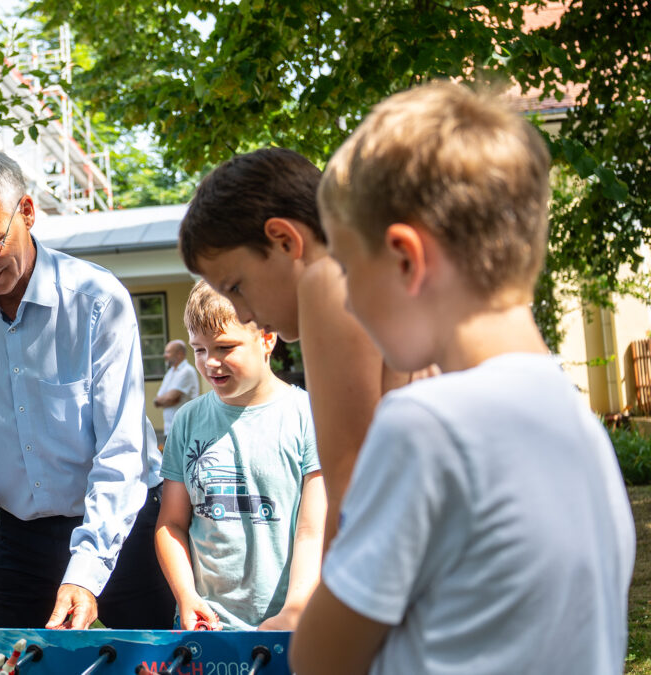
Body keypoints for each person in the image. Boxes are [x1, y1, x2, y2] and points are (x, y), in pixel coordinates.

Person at [289, 82, 635, 673]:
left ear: (405, 259)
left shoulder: (426, 426)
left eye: (347, 268)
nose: (347, 305)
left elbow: (319, 657)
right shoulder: (574, 418)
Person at [0, 147, 174, 629]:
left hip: (125, 524)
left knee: (155, 659)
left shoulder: (99, 302)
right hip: (23, 534)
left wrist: (86, 569)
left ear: (28, 212)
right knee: (16, 662)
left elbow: (121, 450)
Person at [178, 147, 421, 547]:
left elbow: (353, 501)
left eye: (237, 286)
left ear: (285, 240)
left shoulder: (329, 286)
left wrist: (306, 612)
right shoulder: (382, 279)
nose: (243, 311)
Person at [156, 281, 324, 631]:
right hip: (206, 625)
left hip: (289, 623)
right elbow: (171, 524)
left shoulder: (308, 415)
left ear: (266, 338)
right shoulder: (188, 420)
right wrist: (187, 596)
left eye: (225, 347)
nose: (210, 362)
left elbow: (313, 532)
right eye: (199, 350)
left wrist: (294, 611)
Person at [152, 339, 200, 438]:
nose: (164, 355)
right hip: (169, 429)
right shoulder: (170, 373)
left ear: (180, 354)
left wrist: (164, 400)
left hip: (184, 431)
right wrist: (161, 400)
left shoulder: (187, 371)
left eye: (168, 352)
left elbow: (170, 398)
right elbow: (158, 398)